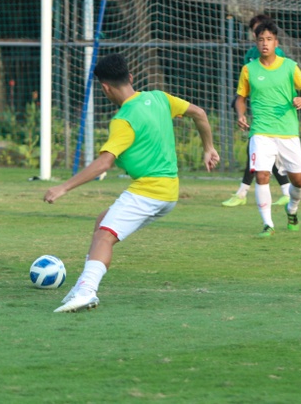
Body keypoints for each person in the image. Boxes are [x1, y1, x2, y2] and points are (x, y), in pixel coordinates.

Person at [43, 53, 220, 313]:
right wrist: (209, 148)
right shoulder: (159, 98)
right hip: (169, 193)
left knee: (105, 235)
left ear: (104, 87)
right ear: (130, 76)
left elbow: (104, 163)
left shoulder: (123, 120)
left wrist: (62, 187)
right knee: (102, 221)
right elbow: (199, 113)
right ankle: (83, 283)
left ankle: (87, 291)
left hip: (149, 191)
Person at [234, 19, 301, 237]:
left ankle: (292, 209)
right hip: (260, 131)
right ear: (256, 43)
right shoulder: (249, 69)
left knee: (299, 180)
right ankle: (268, 224)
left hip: (288, 132)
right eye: (261, 40)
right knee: (262, 175)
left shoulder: (290, 66)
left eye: (269, 39)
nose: (265, 43)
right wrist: (241, 114)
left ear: (276, 42)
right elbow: (240, 97)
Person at [222, 14, 290, 207]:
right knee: (259, 153)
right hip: (259, 112)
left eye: (265, 33)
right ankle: (283, 192)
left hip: (277, 114)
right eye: (256, 32)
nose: (261, 37)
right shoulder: (250, 56)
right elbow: (248, 84)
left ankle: (244, 194)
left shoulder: (280, 55)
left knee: (260, 153)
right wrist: (240, 104)